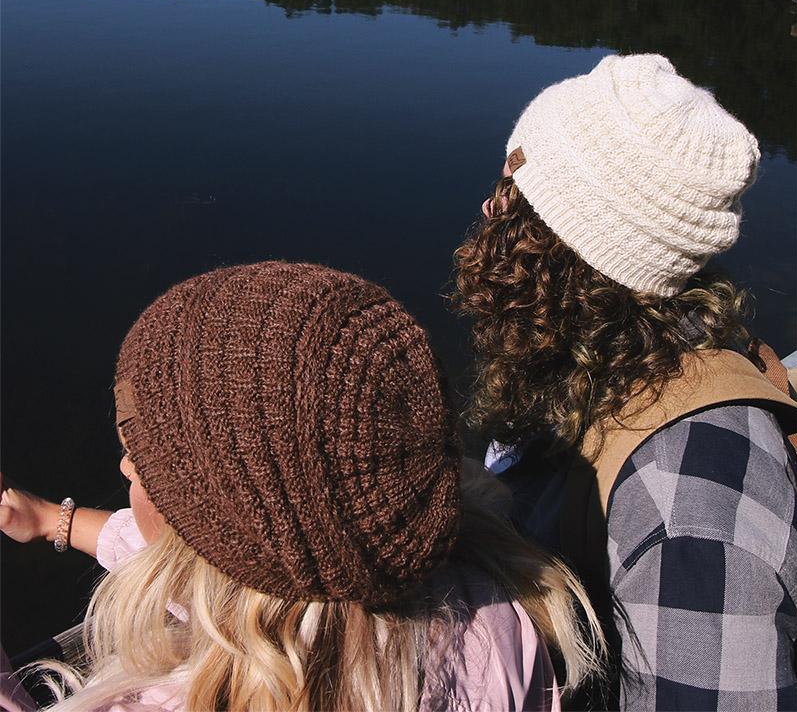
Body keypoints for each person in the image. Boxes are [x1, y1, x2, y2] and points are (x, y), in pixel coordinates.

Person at [1, 261, 604, 712]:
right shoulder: (489, 619)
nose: (127, 470)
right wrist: (51, 519)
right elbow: (222, 562)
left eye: (141, 461)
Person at [452, 54, 797, 710]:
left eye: (512, 199)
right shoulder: (599, 358)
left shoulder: (687, 509)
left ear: (567, 254)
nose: (488, 209)